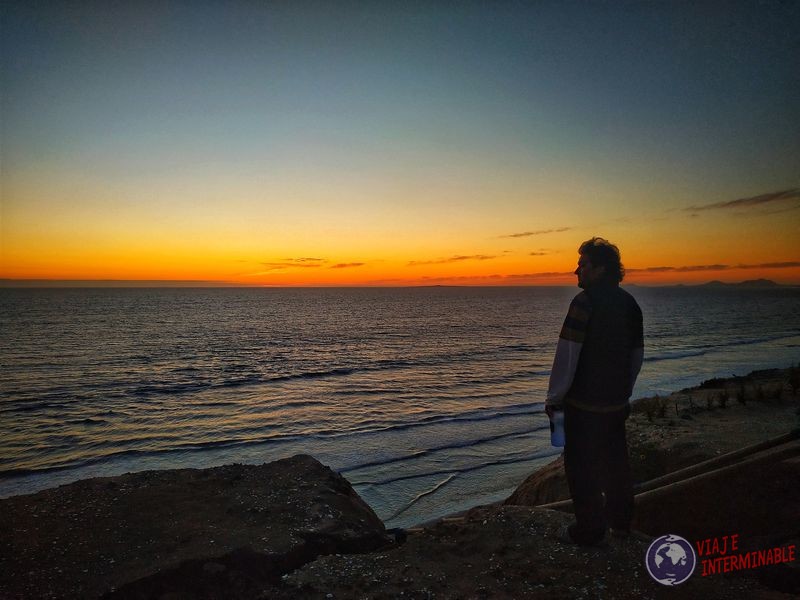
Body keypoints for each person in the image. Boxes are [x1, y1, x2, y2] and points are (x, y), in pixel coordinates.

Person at [545, 237, 644, 546]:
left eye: (583, 264)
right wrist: (623, 392)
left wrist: (554, 398)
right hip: (615, 404)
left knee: (581, 469)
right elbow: (635, 356)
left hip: (583, 406)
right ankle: (621, 525)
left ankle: (589, 530)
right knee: (616, 465)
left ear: (601, 269)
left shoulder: (584, 303)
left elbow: (568, 355)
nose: (577, 270)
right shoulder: (629, 303)